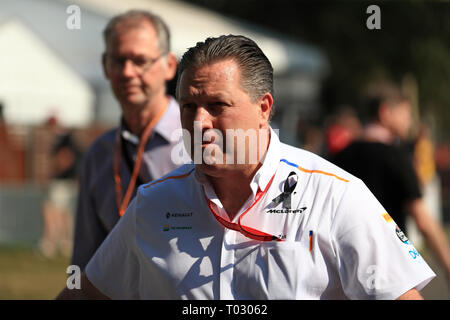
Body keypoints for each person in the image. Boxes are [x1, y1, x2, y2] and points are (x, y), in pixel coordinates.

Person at [58, 35, 435, 300]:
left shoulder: (335, 194)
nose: (199, 122)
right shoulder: (154, 203)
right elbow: (89, 293)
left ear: (264, 108)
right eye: (188, 107)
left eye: (217, 106)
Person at [70, 10, 180, 270]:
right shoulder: (99, 153)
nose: (128, 72)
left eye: (140, 60)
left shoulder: (198, 144)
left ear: (169, 66)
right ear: (105, 66)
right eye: (118, 60)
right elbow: (86, 259)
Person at [332, 83, 450, 285]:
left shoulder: (340, 156)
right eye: (406, 114)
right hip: (389, 270)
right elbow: (423, 220)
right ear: (385, 112)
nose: (410, 121)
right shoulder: (396, 157)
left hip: (344, 267)